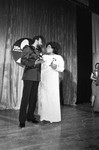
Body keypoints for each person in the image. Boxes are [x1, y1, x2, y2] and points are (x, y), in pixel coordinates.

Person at [19, 35, 45, 128]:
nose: (42, 43)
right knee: (25, 98)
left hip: (37, 76)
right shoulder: (28, 48)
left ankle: (30, 116)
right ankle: (22, 120)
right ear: (37, 40)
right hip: (29, 76)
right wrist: (34, 63)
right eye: (41, 41)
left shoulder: (39, 50)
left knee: (33, 98)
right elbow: (23, 61)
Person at [36, 42, 64, 123]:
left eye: (49, 47)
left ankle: (53, 117)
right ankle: (44, 116)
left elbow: (61, 69)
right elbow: (38, 63)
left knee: (52, 98)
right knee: (44, 98)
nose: (47, 48)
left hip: (53, 80)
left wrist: (55, 67)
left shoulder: (59, 57)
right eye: (47, 47)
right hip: (44, 80)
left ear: (53, 48)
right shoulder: (44, 56)